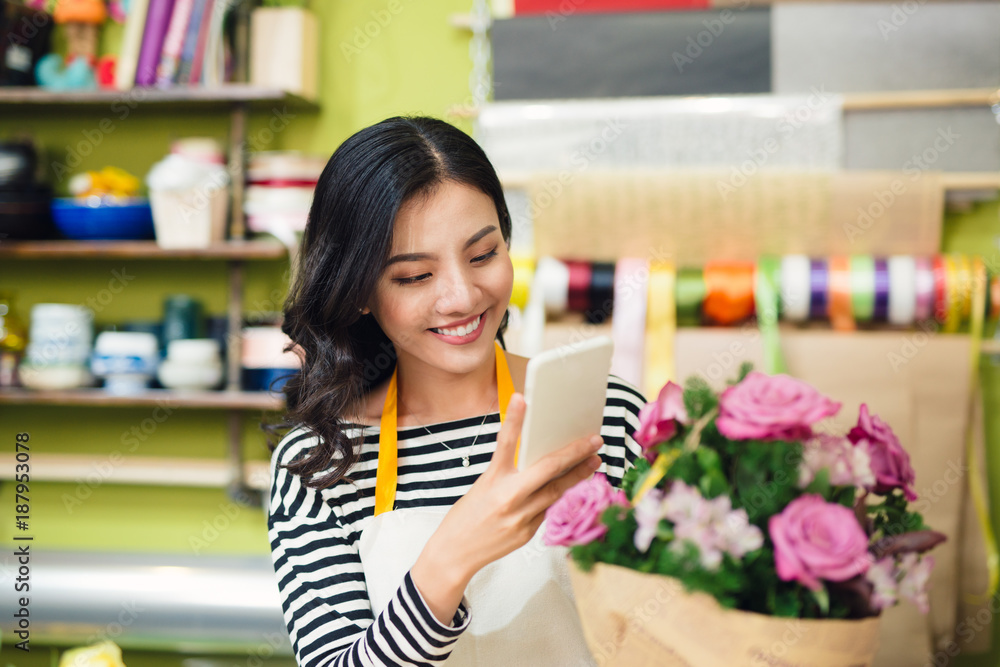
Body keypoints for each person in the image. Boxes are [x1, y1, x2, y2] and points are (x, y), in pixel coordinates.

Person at [267, 116, 647, 667]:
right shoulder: (319, 466)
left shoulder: (605, 414)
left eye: (483, 255)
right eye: (415, 276)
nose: (462, 296)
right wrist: (453, 555)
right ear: (360, 293)